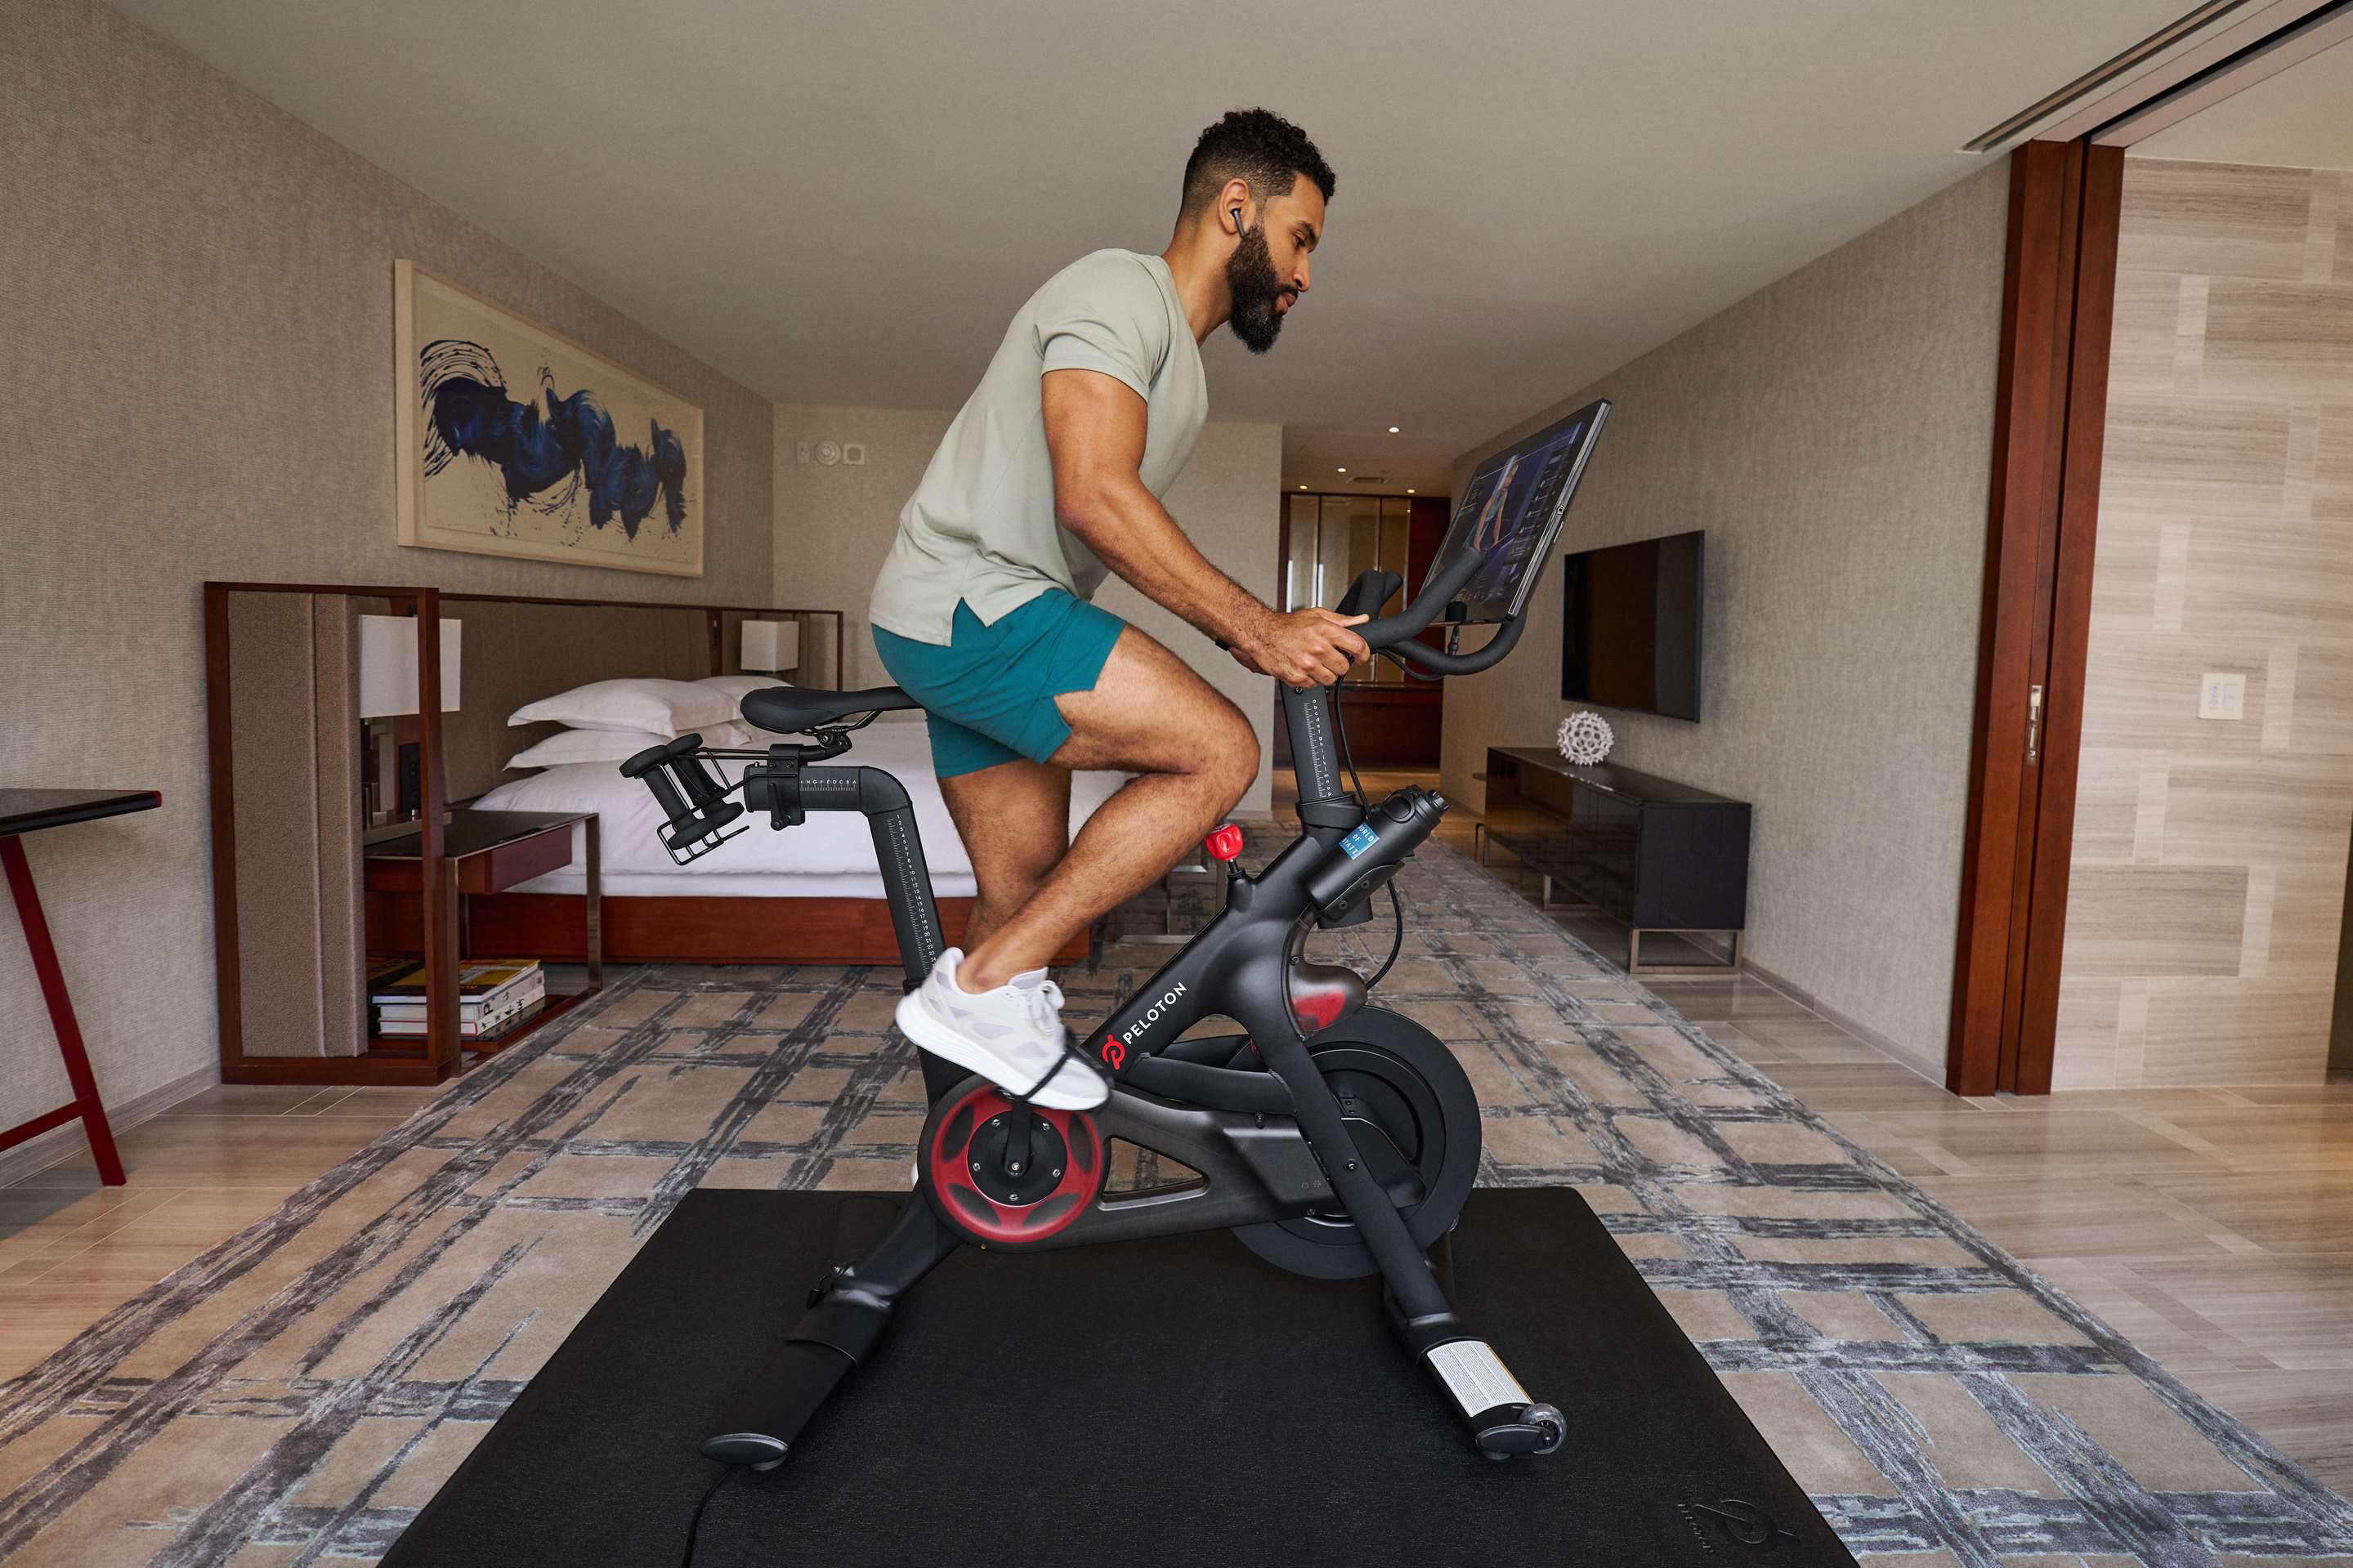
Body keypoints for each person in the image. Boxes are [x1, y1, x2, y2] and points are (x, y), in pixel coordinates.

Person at [868, 108, 1363, 1110]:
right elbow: (1093, 494)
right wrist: (1257, 629)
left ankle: (991, 1158)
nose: (1306, 273)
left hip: (958, 612)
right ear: (1236, 209)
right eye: (1300, 238)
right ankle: (970, 993)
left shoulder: (1179, 369)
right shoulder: (1114, 290)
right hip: (979, 603)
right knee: (1220, 751)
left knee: (1022, 899)